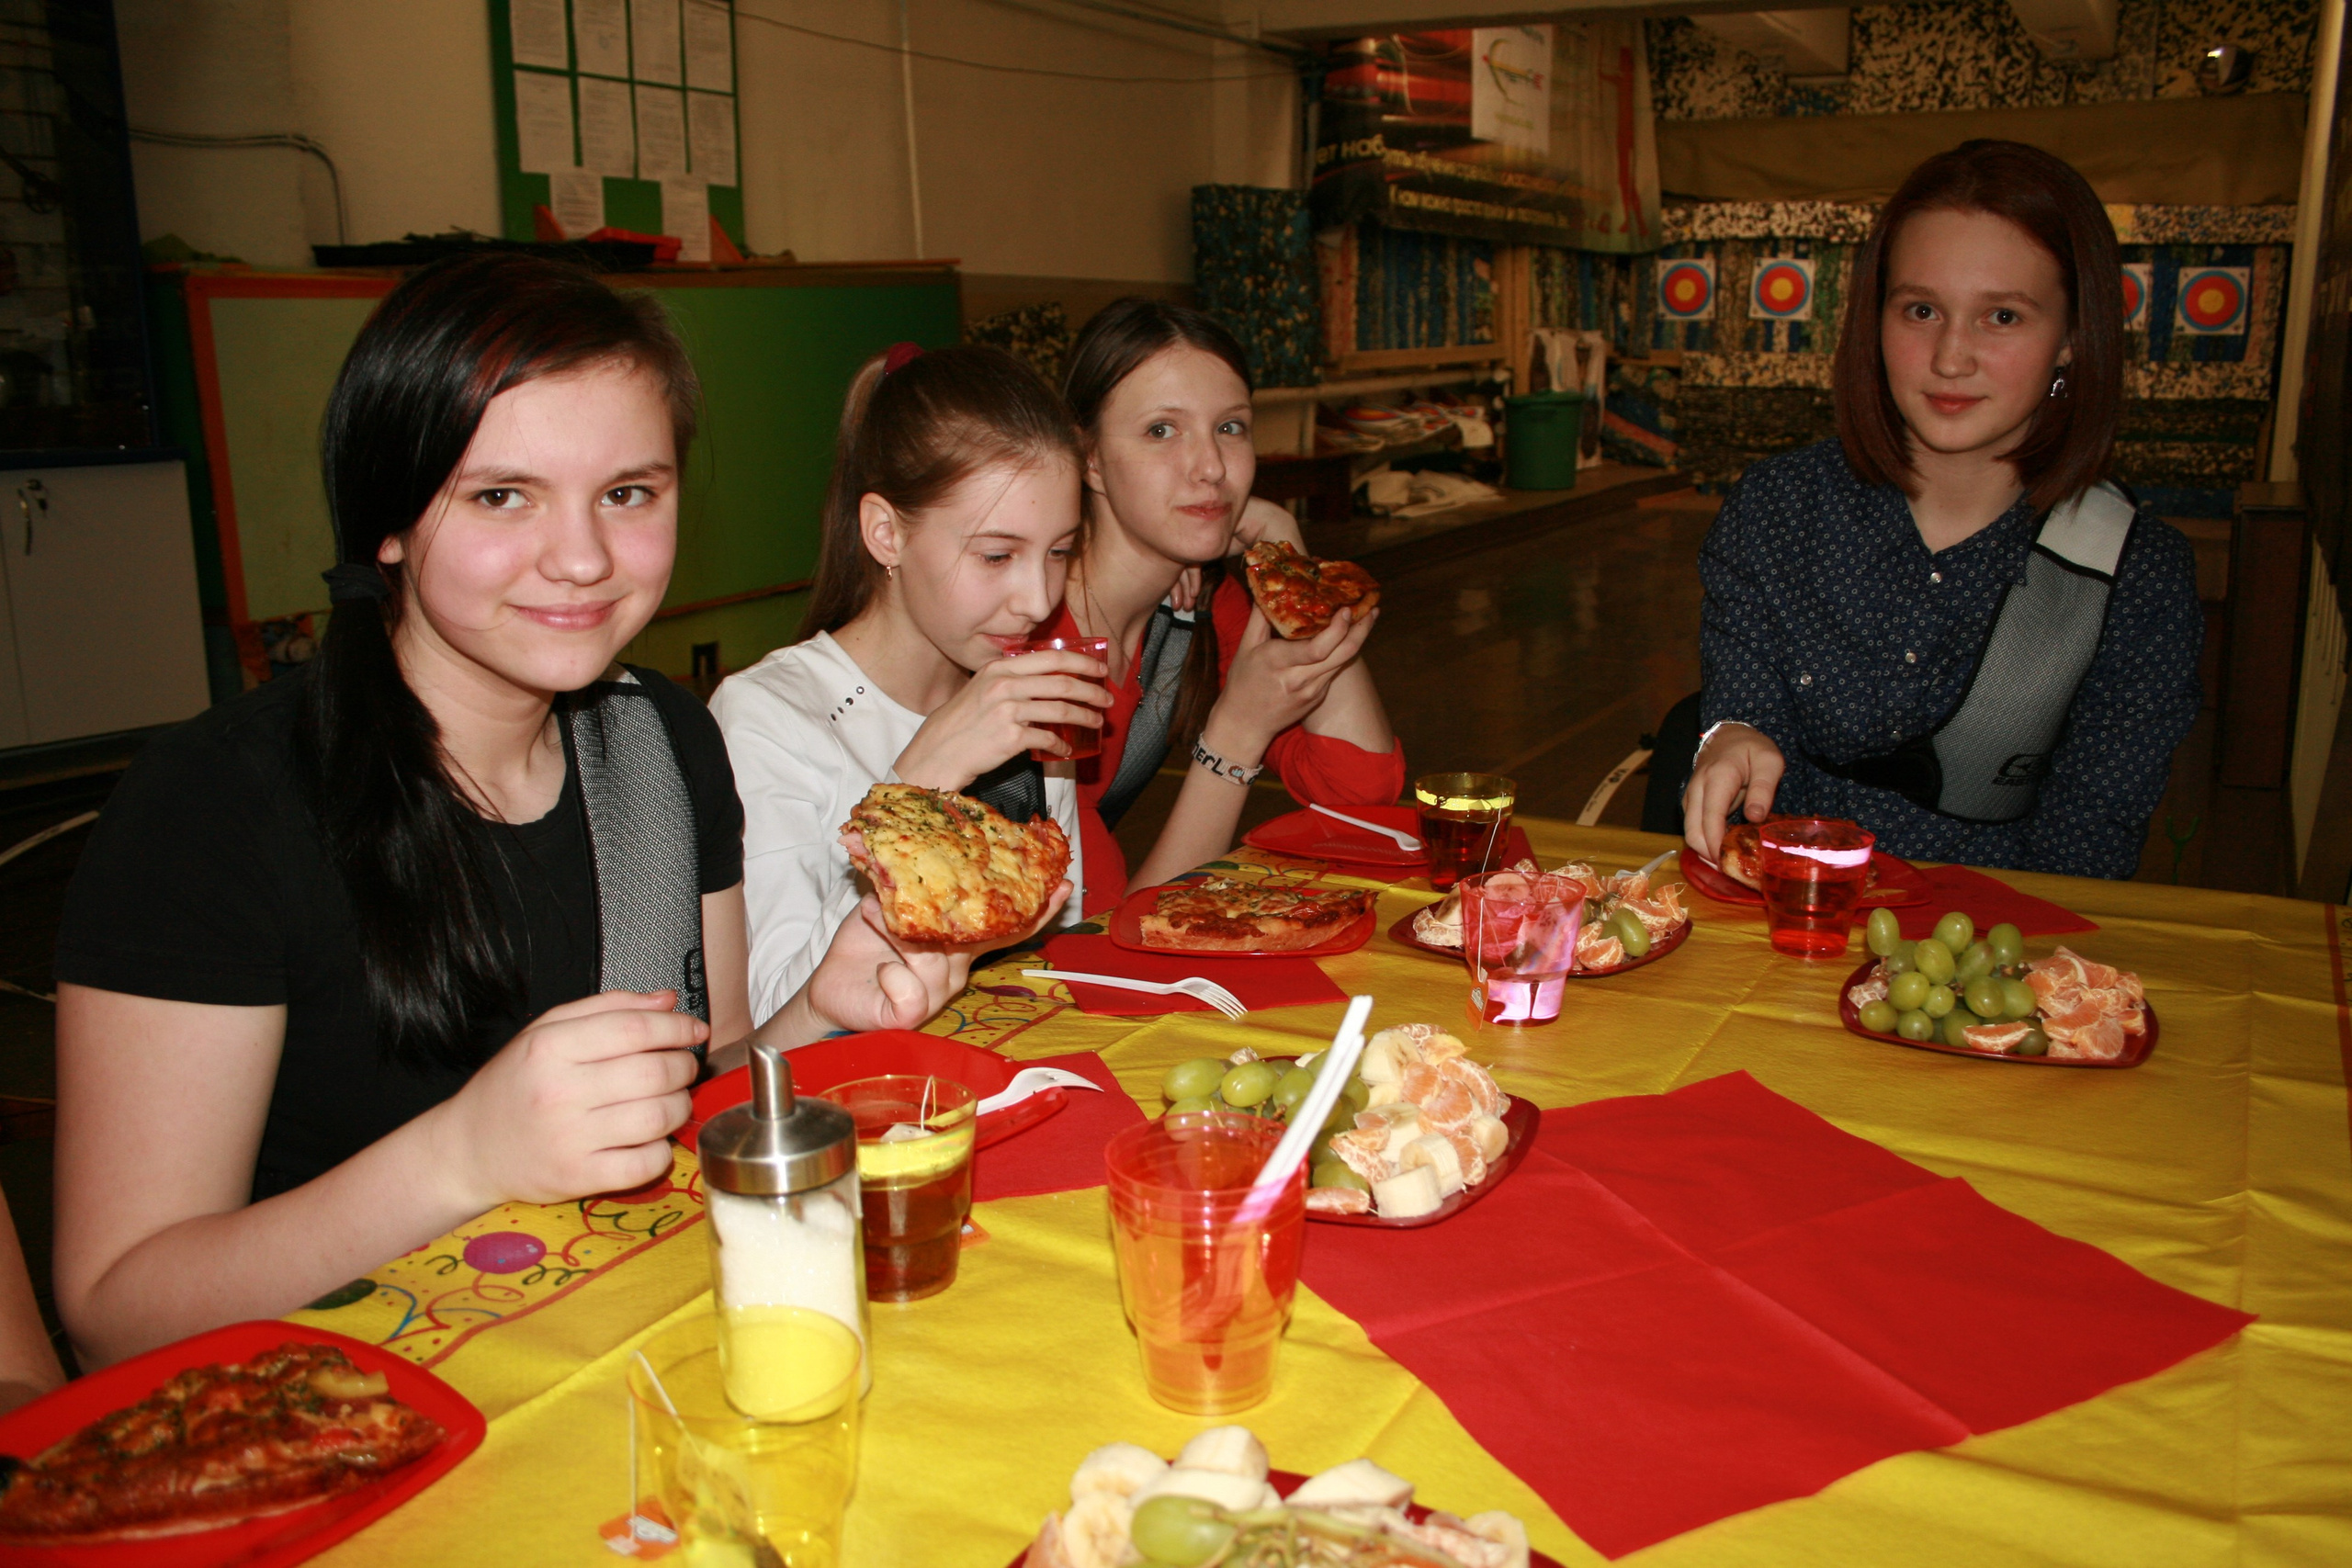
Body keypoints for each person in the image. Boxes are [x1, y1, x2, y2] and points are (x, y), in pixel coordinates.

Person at [49, 256, 1051, 1367]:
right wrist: (465, 1157)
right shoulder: (214, 809)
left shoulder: (665, 748)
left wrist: (817, 1010)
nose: (581, 559)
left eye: (628, 494)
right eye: (500, 496)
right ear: (386, 519)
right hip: (329, 1411)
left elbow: (702, 1089)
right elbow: (113, 1308)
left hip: (609, 1355)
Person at [1683, 140, 2200, 879]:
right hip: (1777, 920)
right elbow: (1742, 707)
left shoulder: (2133, 576)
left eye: (2003, 317)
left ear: (2072, 340)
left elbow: (2088, 848)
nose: (1951, 356)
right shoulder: (1776, 509)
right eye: (1921, 309)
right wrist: (1728, 737)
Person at [712, 344, 1102, 1022]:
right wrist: (920, 778)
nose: (1039, 599)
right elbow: (776, 1021)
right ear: (886, 533)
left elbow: (1058, 939)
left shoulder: (1021, 691)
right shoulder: (766, 717)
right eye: (996, 554)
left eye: (1060, 551)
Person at [1044, 299, 1404, 908]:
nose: (1211, 467)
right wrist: (1235, 735)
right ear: (1089, 457)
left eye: (1230, 427)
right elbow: (1107, 932)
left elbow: (1360, 793)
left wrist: (1288, 559)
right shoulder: (1038, 632)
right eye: (1162, 430)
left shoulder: (1203, 606)